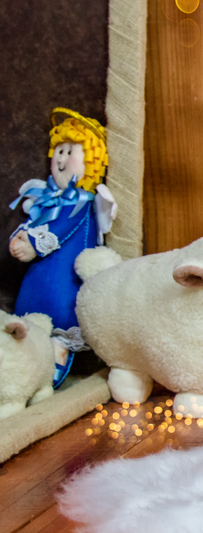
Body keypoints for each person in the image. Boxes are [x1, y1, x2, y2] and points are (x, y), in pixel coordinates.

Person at [9, 108, 116, 386]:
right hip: (38, 283)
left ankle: (55, 360)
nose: (61, 158)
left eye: (70, 152)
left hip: (64, 286)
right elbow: (35, 221)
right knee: (30, 324)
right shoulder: (48, 200)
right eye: (59, 150)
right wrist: (20, 236)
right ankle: (25, 369)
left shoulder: (80, 202)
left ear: (91, 161)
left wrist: (33, 244)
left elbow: (60, 227)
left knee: (57, 323)